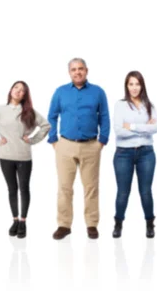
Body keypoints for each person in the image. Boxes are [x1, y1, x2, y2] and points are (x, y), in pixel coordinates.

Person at [47, 57, 110, 240]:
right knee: (64, 187)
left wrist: (102, 141)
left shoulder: (98, 92)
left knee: (91, 187)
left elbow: (104, 117)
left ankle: (91, 224)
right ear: (69, 72)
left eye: (80, 69)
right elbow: (52, 116)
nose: (77, 72)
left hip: (91, 146)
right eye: (74, 69)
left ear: (87, 70)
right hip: (65, 145)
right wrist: (54, 141)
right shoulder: (60, 92)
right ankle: (64, 225)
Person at [0, 81, 50, 238]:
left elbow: (46, 126)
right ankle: (15, 220)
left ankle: (23, 221)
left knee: (24, 188)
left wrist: (31, 140)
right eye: (16, 88)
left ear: (25, 95)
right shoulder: (0, 110)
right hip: (5, 156)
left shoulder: (28, 111)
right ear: (11, 90)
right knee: (12, 189)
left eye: (22, 90)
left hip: (24, 156)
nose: (19, 91)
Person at [111, 71, 157, 238]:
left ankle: (150, 224)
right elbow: (118, 130)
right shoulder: (120, 105)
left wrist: (131, 126)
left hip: (146, 153)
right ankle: (118, 223)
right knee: (123, 192)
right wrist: (143, 126)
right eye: (131, 84)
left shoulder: (149, 105)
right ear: (126, 86)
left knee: (146, 191)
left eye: (137, 84)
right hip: (123, 153)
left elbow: (155, 128)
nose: (134, 88)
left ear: (142, 86)